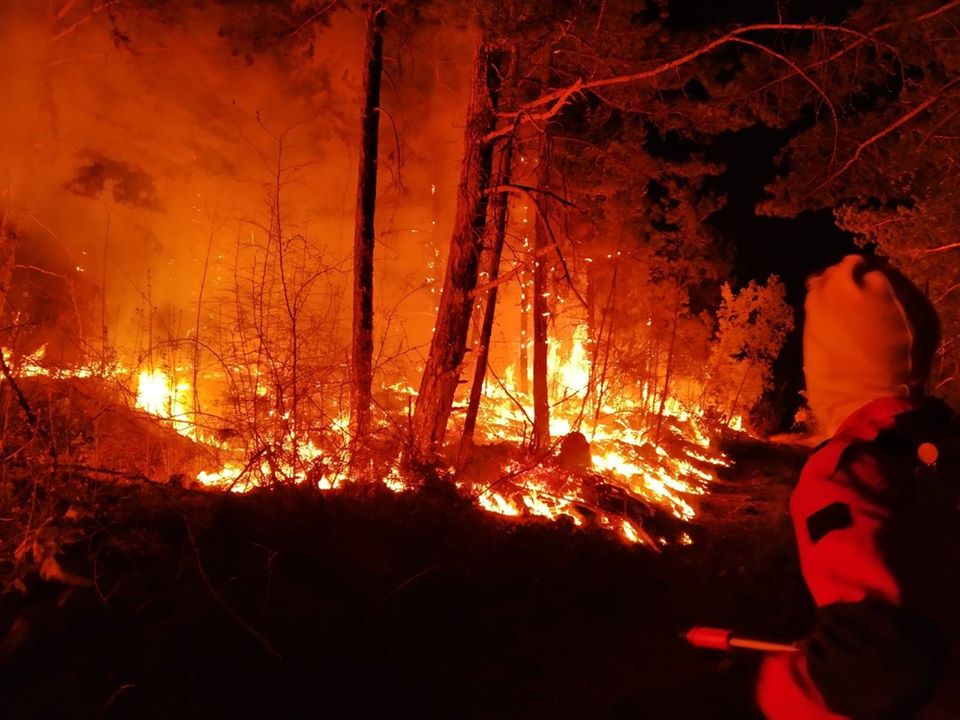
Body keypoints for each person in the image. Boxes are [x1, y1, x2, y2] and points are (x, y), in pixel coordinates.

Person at [757, 254, 960, 719]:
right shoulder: (941, 445)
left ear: (829, 363)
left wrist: (783, 684)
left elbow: (872, 666)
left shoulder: (844, 473)